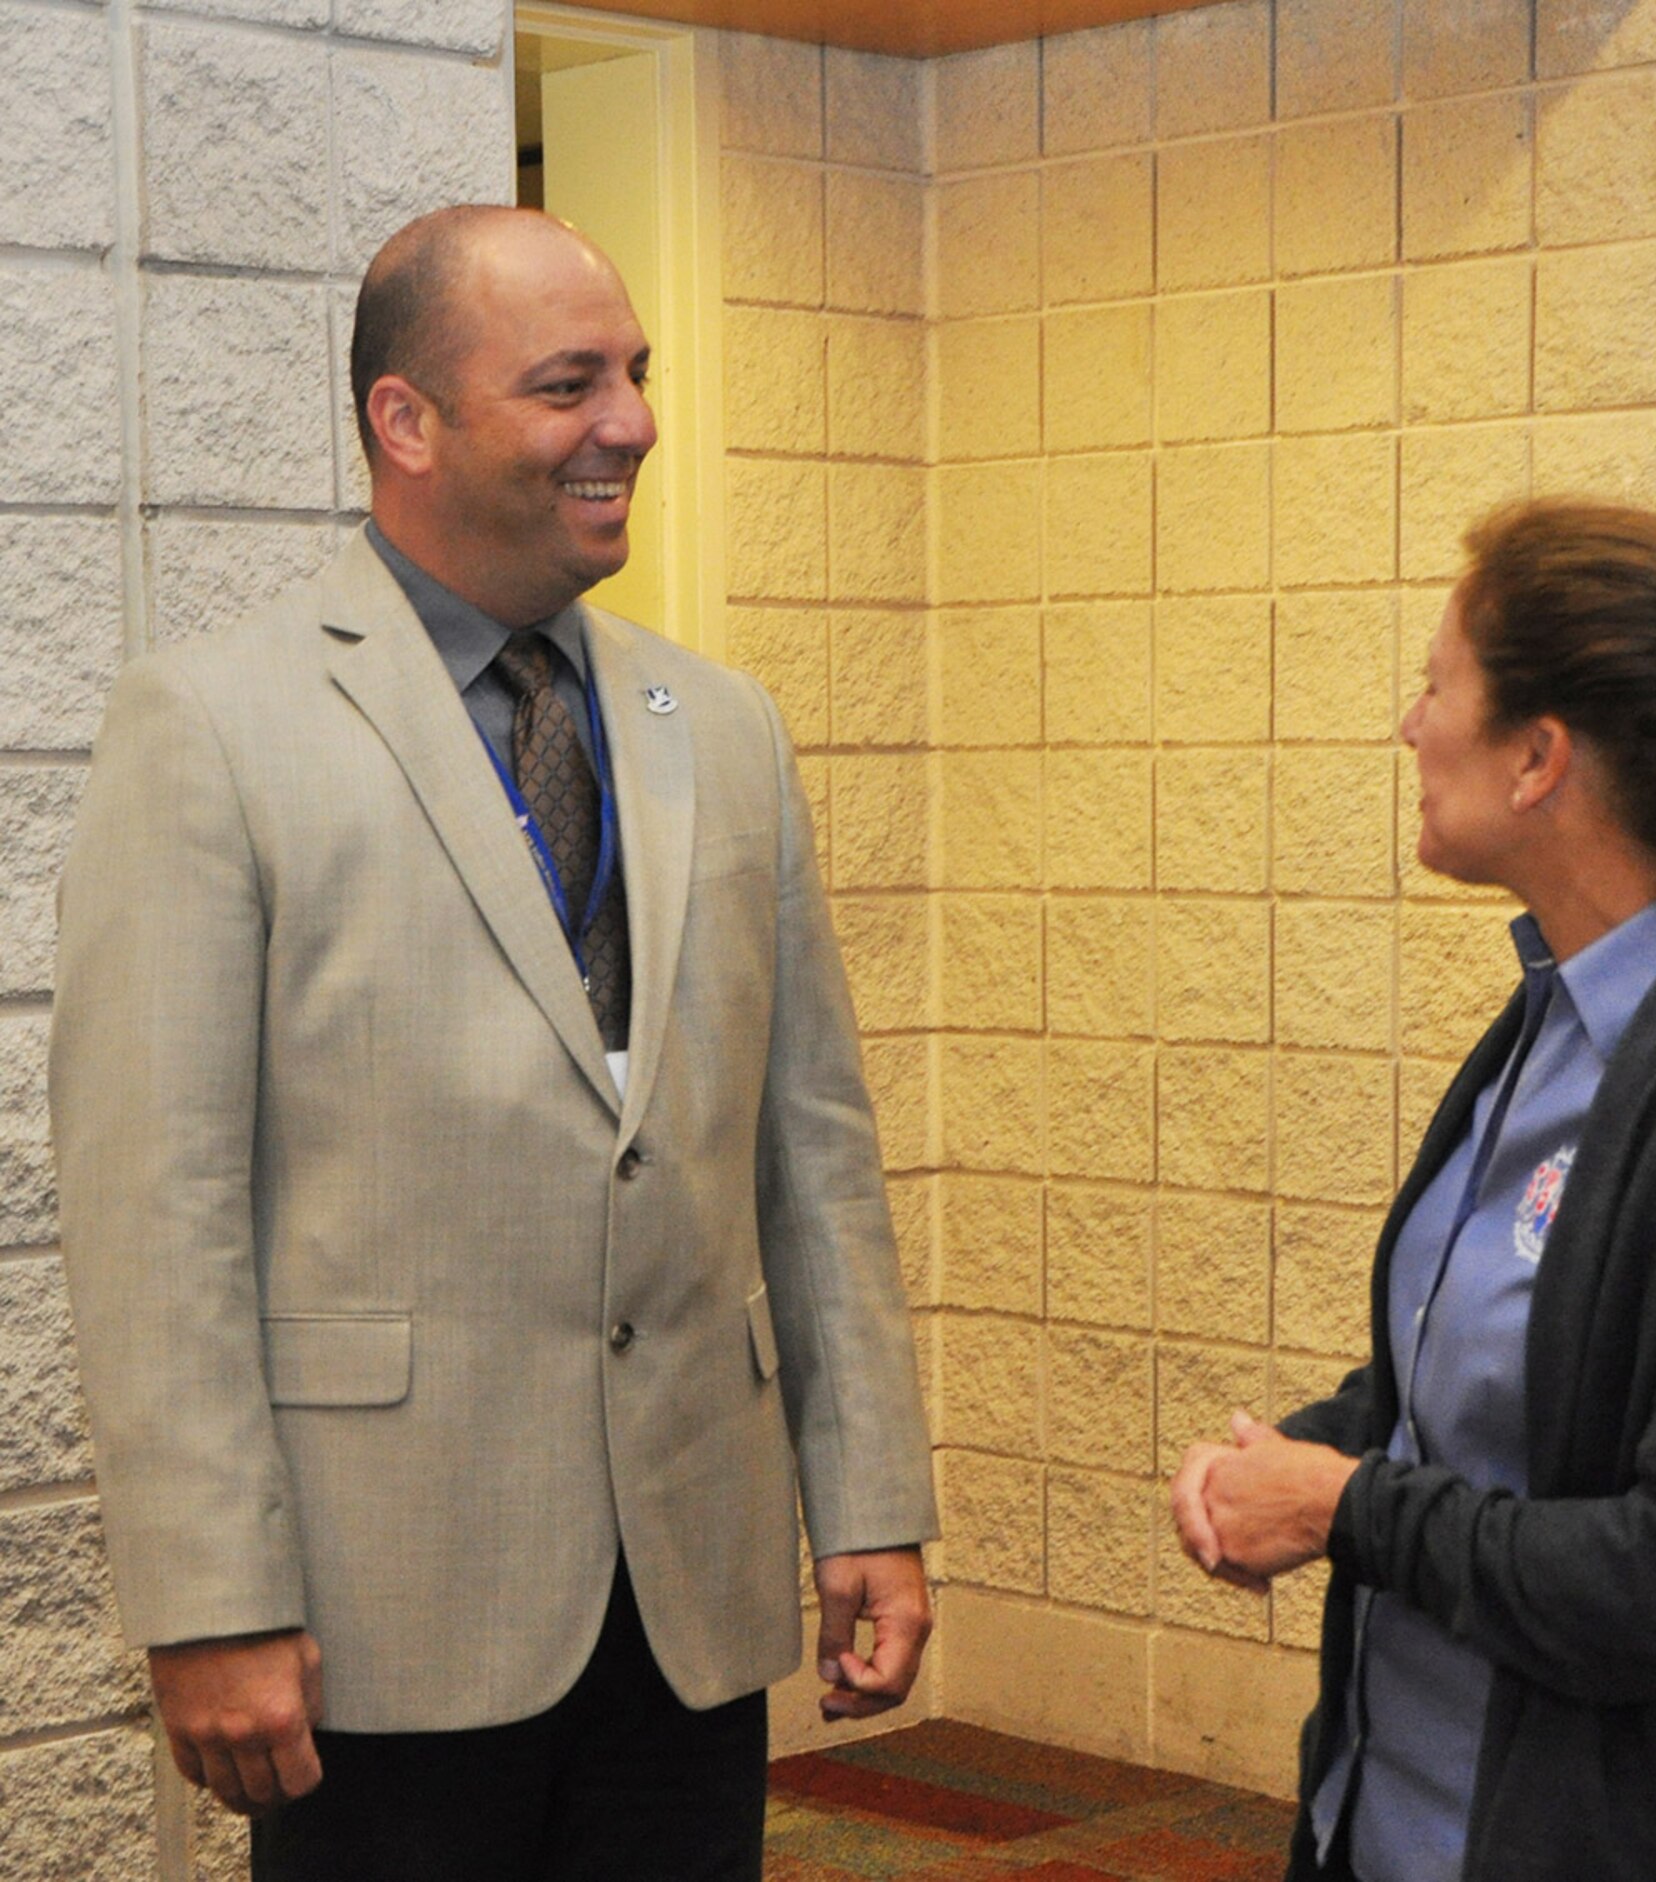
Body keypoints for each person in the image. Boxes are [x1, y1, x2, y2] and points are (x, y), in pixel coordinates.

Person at [51, 204, 938, 1882]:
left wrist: (872, 1495)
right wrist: (211, 1597)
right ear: (409, 422)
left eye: (637, 372)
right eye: (567, 382)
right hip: (382, 1622)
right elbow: (152, 1211)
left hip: (684, 1605)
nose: (633, 421)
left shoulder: (721, 725)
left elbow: (810, 1142)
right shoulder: (214, 726)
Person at [1172, 499, 1656, 1882]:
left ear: (1539, 756)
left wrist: (1342, 1507)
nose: (1409, 728)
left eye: (1436, 687)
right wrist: (1296, 1456)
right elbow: (1492, 1394)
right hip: (1396, 1819)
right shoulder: (1555, 1017)